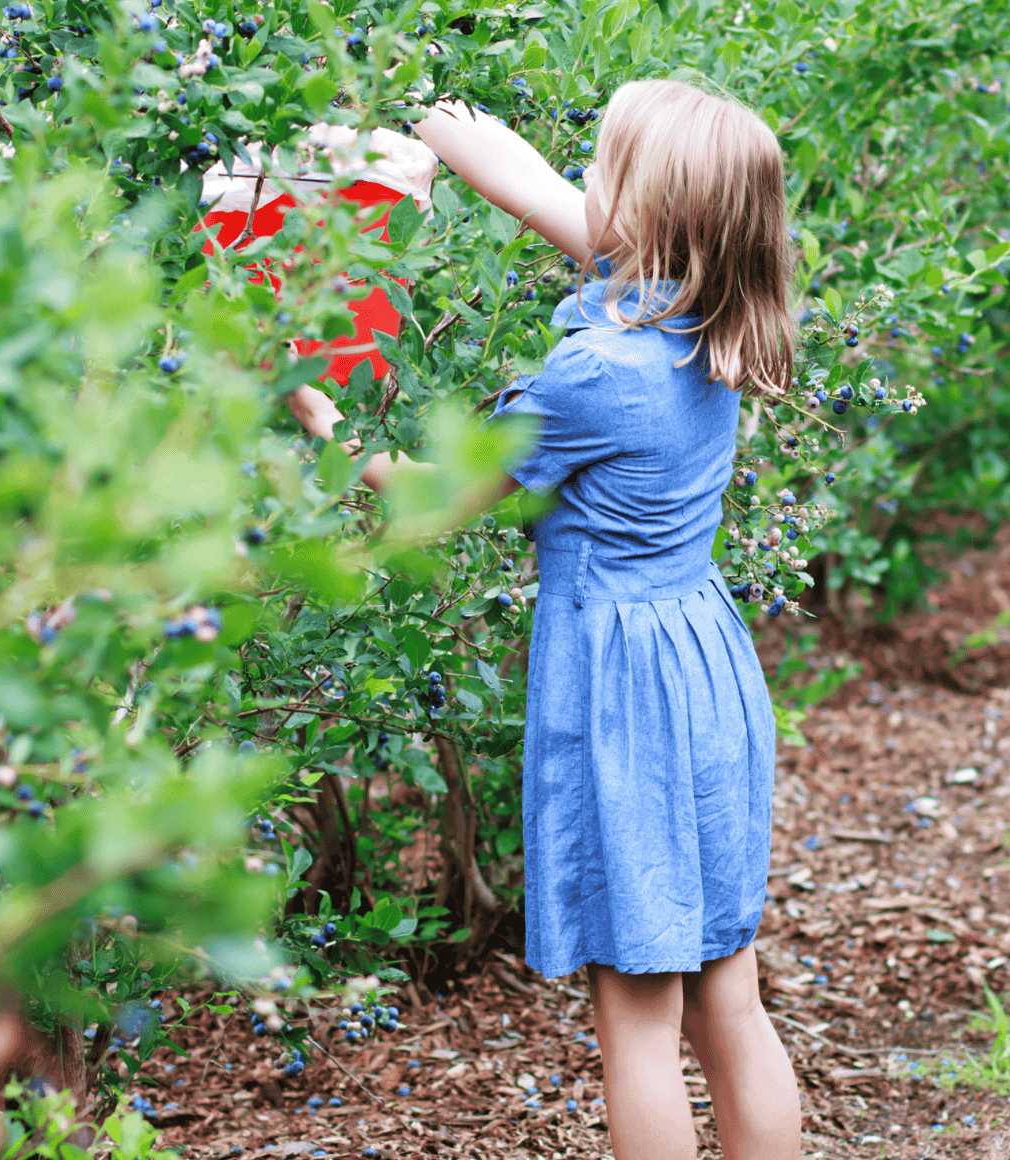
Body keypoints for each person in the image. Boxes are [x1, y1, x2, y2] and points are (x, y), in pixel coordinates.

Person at [286, 78, 802, 1160]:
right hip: (705, 670)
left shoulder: (596, 372)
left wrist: (319, 410)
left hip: (628, 695)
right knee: (727, 994)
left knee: (636, 1014)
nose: (582, 183)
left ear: (648, 216)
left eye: (604, 169)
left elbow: (435, 495)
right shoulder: (707, 309)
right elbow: (531, 189)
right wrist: (420, 98)